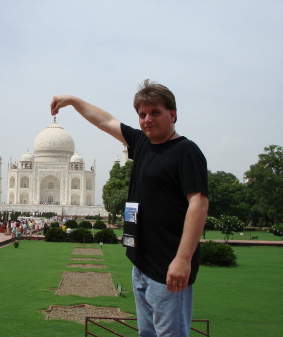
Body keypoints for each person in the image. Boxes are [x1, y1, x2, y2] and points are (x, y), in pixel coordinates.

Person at [50, 80, 209, 337]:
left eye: (155, 112)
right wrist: (74, 100)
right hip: (141, 265)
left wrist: (182, 259)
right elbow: (106, 121)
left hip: (168, 269)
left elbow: (199, 203)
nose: (147, 120)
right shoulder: (143, 144)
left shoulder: (186, 152)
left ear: (173, 114)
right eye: (142, 114)